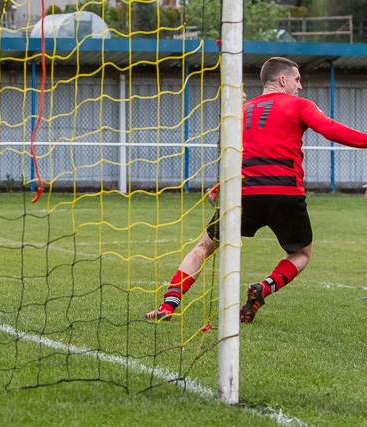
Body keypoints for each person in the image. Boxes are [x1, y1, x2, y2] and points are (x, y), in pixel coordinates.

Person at [146, 56, 367, 324]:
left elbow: (229, 153)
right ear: (283, 80)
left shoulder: (241, 111)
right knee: (301, 253)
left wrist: (221, 187)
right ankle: (265, 287)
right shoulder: (299, 105)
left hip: (244, 196)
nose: (300, 87)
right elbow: (329, 129)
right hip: (285, 194)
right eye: (297, 80)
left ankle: (168, 305)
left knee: (204, 247)